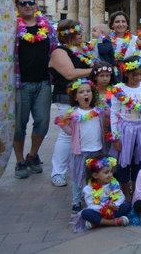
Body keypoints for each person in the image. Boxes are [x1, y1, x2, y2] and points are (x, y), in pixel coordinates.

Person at [13, 0, 58, 179]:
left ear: (35, 4)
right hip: (20, 84)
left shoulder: (47, 27)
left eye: (31, 2)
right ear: (17, 6)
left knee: (42, 123)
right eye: (23, 3)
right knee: (18, 126)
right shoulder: (11, 28)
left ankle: (32, 155)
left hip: (43, 83)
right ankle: (19, 161)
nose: (28, 5)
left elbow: (56, 52)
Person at [48, 19, 94, 186]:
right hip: (67, 97)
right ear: (66, 34)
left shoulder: (83, 50)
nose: (81, 34)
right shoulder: (59, 52)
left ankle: (85, 171)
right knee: (68, 134)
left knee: (86, 132)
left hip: (86, 96)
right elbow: (70, 73)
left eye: (81, 30)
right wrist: (98, 70)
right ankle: (57, 172)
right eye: (77, 31)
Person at [110, 56, 141, 200]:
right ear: (126, 73)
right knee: (125, 162)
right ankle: (125, 195)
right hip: (126, 129)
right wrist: (116, 137)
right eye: (134, 74)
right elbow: (114, 113)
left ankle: (138, 193)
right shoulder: (119, 90)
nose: (138, 77)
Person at [54, 79, 105, 213]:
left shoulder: (98, 111)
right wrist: (62, 122)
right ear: (75, 97)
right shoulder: (74, 114)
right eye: (81, 92)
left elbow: (109, 117)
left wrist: (106, 106)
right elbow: (70, 132)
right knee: (78, 177)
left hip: (97, 149)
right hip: (81, 151)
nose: (86, 94)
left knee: (95, 177)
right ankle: (76, 201)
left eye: (88, 91)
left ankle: (94, 199)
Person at [80, 156, 131, 229]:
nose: (110, 174)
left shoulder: (114, 183)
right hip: (99, 211)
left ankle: (98, 223)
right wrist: (106, 206)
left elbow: (121, 196)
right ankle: (113, 222)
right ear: (95, 175)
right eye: (106, 172)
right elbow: (91, 205)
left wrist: (115, 205)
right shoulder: (88, 188)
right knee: (85, 213)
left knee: (127, 206)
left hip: (113, 210)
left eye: (111, 171)